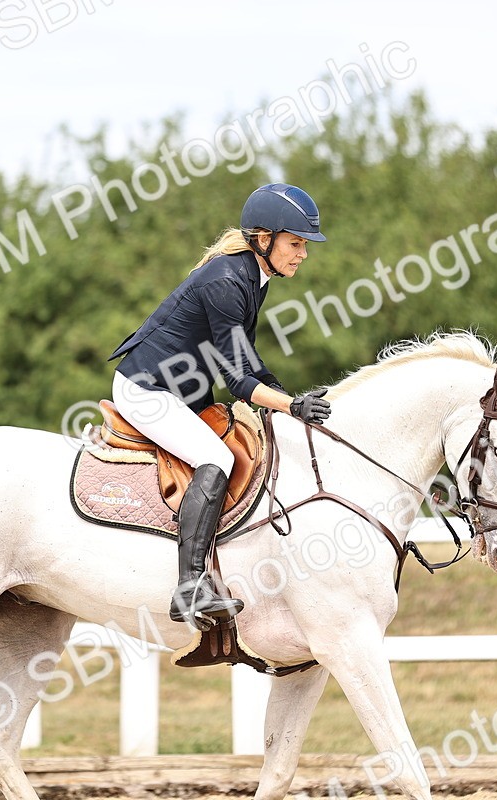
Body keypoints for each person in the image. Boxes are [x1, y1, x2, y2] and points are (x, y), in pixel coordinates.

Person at [108, 183, 333, 630]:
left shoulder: (253, 277)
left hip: (180, 392)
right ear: (263, 239)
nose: (303, 254)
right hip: (147, 391)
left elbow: (246, 359)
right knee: (217, 456)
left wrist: (285, 394)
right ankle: (190, 587)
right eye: (295, 243)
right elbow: (238, 382)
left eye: (305, 245)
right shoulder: (228, 281)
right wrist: (290, 405)